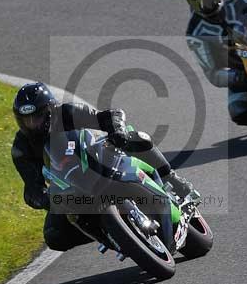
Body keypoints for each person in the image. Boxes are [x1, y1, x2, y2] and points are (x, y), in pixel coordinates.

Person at [10, 82, 195, 252]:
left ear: (50, 110)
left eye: (38, 117)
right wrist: (42, 199)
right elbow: (32, 187)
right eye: (27, 120)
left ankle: (170, 177)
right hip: (71, 189)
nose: (33, 124)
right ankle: (110, 235)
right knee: (53, 235)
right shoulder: (21, 148)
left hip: (99, 159)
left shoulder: (66, 113)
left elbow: (109, 116)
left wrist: (117, 130)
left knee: (135, 136)